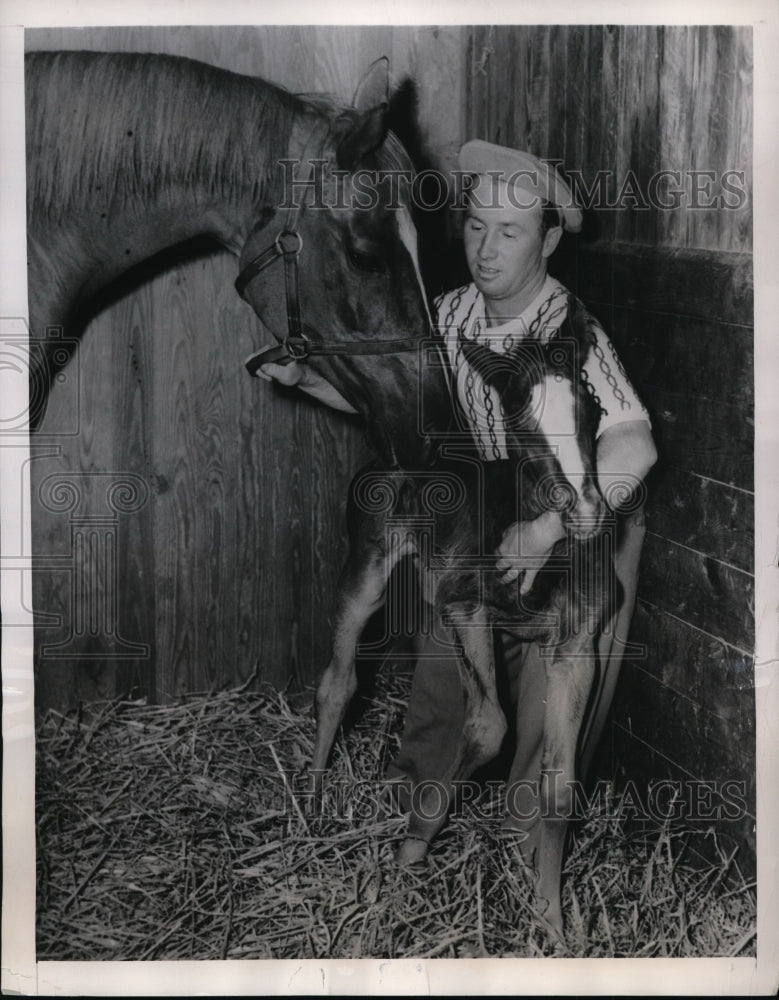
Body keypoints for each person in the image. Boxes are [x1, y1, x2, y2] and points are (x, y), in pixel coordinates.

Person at [254, 139, 658, 836]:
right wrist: (308, 379)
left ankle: (531, 868)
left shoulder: (567, 329)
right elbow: (393, 401)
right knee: (444, 686)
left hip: (575, 527)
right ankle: (417, 832)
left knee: (547, 714)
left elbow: (635, 445)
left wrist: (547, 532)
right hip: (482, 522)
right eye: (475, 227)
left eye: (509, 233)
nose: (486, 249)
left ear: (547, 241)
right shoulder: (449, 315)